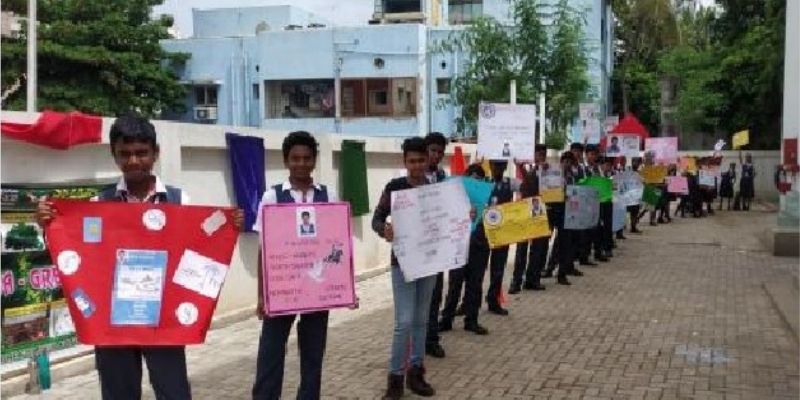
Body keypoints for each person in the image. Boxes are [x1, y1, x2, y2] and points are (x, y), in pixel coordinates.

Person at [36, 114, 244, 400]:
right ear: (114, 155)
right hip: (112, 323)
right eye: (125, 153)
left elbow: (199, 250)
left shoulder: (180, 201)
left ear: (155, 153)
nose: (133, 161)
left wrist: (228, 226)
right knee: (119, 394)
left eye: (141, 152)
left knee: (174, 393)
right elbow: (77, 251)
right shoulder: (98, 205)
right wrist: (49, 223)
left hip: (163, 321)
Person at [252, 131, 337, 400]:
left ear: (314, 160)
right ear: (286, 161)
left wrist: (342, 290)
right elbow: (264, 249)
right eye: (295, 158)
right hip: (283, 288)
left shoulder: (328, 194)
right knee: (270, 353)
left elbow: (337, 244)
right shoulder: (272, 197)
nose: (301, 164)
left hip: (317, 288)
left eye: (306, 158)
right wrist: (262, 295)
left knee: (313, 355)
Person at [373, 137, 437, 399]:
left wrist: (464, 215)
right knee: (404, 322)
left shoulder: (436, 189)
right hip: (402, 263)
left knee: (421, 320)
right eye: (412, 161)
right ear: (405, 161)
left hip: (429, 262)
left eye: (421, 160)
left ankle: (416, 373)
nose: (417, 165)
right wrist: (384, 229)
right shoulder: (394, 188)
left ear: (427, 160)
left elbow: (447, 219)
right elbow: (377, 219)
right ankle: (395, 379)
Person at [439, 164, 491, 335]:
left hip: (480, 247)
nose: (475, 184)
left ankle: (471, 320)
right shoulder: (455, 197)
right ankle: (446, 319)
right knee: (455, 284)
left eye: (479, 180)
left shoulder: (487, 196)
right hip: (459, 247)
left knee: (475, 285)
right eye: (472, 179)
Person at [422, 132, 448, 359]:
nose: (436, 156)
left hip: (437, 246)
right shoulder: (410, 176)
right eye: (433, 151)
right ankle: (415, 342)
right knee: (417, 298)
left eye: (440, 152)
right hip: (416, 246)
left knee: (435, 293)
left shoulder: (442, 177)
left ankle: (432, 339)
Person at [484, 160, 522, 315]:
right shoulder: (483, 181)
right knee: (476, 271)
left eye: (500, 165)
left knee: (498, 269)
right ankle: (468, 303)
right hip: (483, 232)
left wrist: (521, 167)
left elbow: (529, 187)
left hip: (502, 232)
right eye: (494, 165)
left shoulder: (510, 183)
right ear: (490, 165)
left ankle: (493, 300)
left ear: (505, 166)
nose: (497, 168)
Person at [510, 144, 549, 294]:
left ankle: (532, 280)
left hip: (540, 209)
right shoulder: (525, 168)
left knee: (538, 248)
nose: (541, 157)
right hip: (526, 208)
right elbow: (527, 186)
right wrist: (520, 167)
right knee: (522, 247)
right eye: (538, 154)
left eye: (543, 154)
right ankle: (516, 282)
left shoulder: (549, 171)